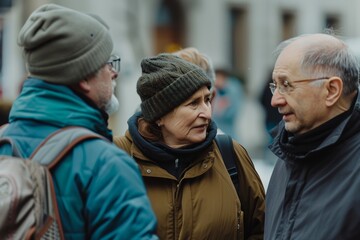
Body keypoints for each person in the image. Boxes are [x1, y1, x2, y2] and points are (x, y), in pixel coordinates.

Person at [0, 4, 158, 239]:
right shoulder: (107, 165)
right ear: (84, 77)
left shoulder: (4, 141)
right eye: (107, 63)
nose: (114, 73)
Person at [114, 53, 265, 240]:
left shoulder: (230, 154)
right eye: (193, 103)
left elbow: (262, 230)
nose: (207, 113)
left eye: (207, 100)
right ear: (159, 115)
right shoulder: (118, 156)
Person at [265, 32, 360, 239]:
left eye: (286, 85)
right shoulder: (289, 151)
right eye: (275, 86)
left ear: (332, 90)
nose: (275, 100)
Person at [212, 68, 245, 141]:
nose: (216, 81)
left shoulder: (232, 91)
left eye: (218, 78)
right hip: (217, 131)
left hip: (228, 131)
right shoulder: (216, 91)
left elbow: (231, 113)